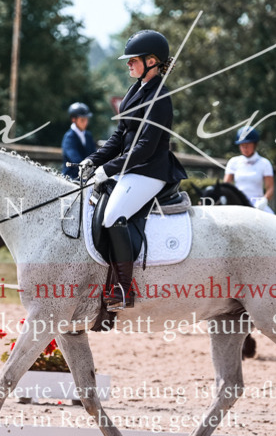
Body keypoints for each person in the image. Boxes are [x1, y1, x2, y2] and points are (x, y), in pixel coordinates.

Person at [79, 29, 187, 311]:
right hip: (131, 168)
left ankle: (124, 289)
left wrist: (110, 168)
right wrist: (95, 160)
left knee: (114, 216)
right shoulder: (135, 90)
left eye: (133, 60)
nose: (128, 64)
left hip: (150, 171)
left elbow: (146, 147)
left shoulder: (160, 96)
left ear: (151, 61)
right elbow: (120, 136)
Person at [223, 126, 274, 213]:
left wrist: (264, 200)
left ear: (255, 145)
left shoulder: (264, 163)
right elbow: (226, 185)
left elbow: (270, 188)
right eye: (242, 145)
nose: (245, 148)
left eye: (248, 145)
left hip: (258, 204)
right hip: (238, 204)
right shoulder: (233, 162)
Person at [61, 103, 95, 180]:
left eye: (87, 119)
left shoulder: (88, 135)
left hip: (86, 177)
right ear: (74, 119)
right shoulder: (69, 137)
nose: (86, 123)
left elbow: (94, 154)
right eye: (82, 120)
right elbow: (76, 160)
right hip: (71, 178)